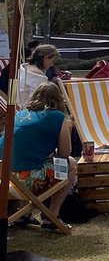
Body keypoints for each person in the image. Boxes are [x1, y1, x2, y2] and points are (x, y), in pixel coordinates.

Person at [0, 81, 77, 228]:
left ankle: (23, 215)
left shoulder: (20, 114)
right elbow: (65, 153)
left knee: (28, 164)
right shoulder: (57, 116)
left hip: (5, 179)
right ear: (58, 99)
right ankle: (52, 215)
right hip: (25, 181)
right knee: (70, 165)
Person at [16, 43, 61, 107]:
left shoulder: (24, 68)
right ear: (46, 58)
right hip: (27, 112)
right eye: (52, 61)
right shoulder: (38, 75)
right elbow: (39, 100)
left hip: (17, 109)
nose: (52, 65)